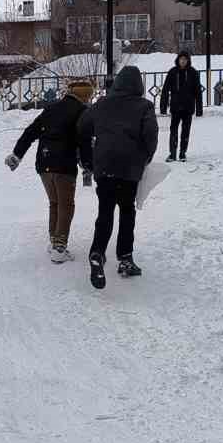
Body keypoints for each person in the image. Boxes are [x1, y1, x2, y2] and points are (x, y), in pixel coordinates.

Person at [78, 65, 158, 289]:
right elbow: (150, 136)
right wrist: (145, 158)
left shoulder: (102, 104)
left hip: (104, 166)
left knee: (105, 212)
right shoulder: (144, 106)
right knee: (126, 211)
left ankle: (97, 253)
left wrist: (89, 157)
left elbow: (83, 127)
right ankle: (125, 259)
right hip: (129, 168)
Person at [5, 80, 94, 263]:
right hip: (64, 165)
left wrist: (17, 154)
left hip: (44, 162)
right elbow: (84, 141)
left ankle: (54, 240)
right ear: (85, 96)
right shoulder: (82, 112)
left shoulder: (52, 108)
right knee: (66, 205)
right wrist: (87, 165)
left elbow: (30, 132)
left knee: (55, 202)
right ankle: (59, 246)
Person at [159, 52, 204, 162]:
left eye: (185, 59)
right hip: (175, 107)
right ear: (178, 60)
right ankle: (172, 153)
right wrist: (163, 107)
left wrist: (199, 109)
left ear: (188, 60)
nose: (183, 61)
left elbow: (198, 91)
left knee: (185, 130)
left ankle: (182, 153)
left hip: (188, 107)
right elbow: (165, 90)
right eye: (181, 59)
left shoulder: (193, 73)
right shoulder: (173, 72)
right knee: (173, 130)